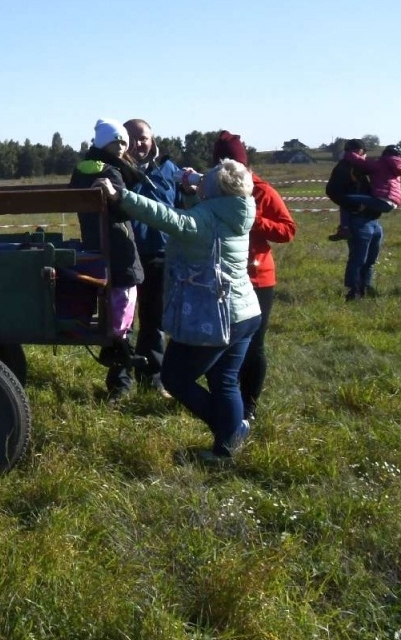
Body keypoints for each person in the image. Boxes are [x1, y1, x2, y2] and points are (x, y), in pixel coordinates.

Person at [101, 158, 261, 462]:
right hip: (245, 312)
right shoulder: (238, 210)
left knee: (174, 378)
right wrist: (192, 193)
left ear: (214, 189)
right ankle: (228, 444)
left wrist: (121, 195)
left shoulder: (207, 218)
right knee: (225, 380)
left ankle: (226, 429)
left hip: (214, 316)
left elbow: (170, 219)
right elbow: (199, 220)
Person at [214, 131, 296, 424]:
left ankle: (249, 404)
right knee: (220, 340)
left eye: (235, 164)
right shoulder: (213, 189)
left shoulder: (263, 191)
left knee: (254, 344)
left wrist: (253, 219)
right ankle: (225, 397)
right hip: (221, 277)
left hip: (258, 278)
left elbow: (288, 230)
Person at [112, 118, 183, 399]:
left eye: (143, 137)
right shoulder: (115, 168)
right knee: (121, 322)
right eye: (132, 138)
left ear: (153, 139)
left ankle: (152, 378)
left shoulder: (169, 170)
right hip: (124, 256)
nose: (139, 143)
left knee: (154, 321)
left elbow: (182, 207)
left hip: (159, 254)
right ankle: (120, 384)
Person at [68, 119, 145, 343]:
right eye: (116, 141)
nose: (122, 147)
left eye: (124, 142)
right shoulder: (111, 171)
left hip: (93, 239)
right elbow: (124, 209)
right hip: (118, 243)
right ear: (104, 144)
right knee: (124, 294)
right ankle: (120, 339)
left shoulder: (82, 169)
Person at [325, 141, 386, 300]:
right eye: (363, 150)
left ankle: (366, 287)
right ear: (358, 151)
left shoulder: (361, 168)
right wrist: (353, 205)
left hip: (373, 220)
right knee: (358, 259)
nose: (364, 153)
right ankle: (354, 291)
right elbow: (332, 191)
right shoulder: (344, 168)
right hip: (358, 220)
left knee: (371, 259)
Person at [330, 144, 401, 239]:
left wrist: (349, 154)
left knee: (346, 199)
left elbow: (361, 163)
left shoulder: (381, 163)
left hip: (382, 200)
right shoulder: (398, 167)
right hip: (393, 202)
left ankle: (345, 229)